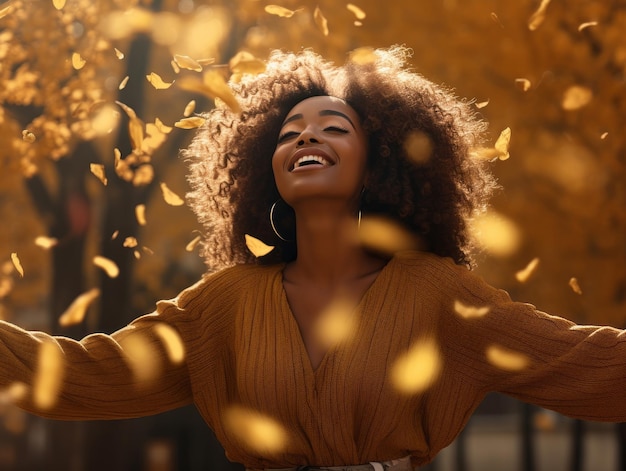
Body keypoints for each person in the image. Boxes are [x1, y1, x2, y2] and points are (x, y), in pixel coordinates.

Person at [1, 45, 626, 471]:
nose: (306, 136)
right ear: (264, 166)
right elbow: (83, 376)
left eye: (334, 127)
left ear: (376, 162)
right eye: (290, 130)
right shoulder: (224, 303)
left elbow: (584, 364)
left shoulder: (440, 294)